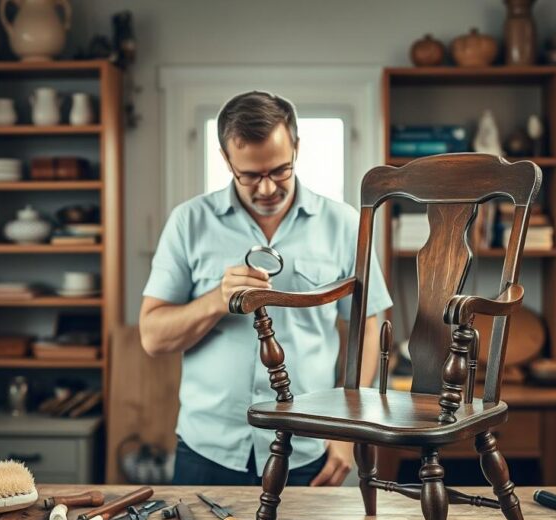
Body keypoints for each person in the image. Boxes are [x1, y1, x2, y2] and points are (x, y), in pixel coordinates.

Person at [139, 91, 392, 487]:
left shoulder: (344, 224)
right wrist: (216, 301)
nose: (268, 188)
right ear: (226, 160)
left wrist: (347, 430)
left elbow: (369, 328)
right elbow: (152, 337)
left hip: (309, 445)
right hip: (207, 450)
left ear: (296, 147)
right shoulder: (188, 222)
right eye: (251, 175)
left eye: (280, 170)